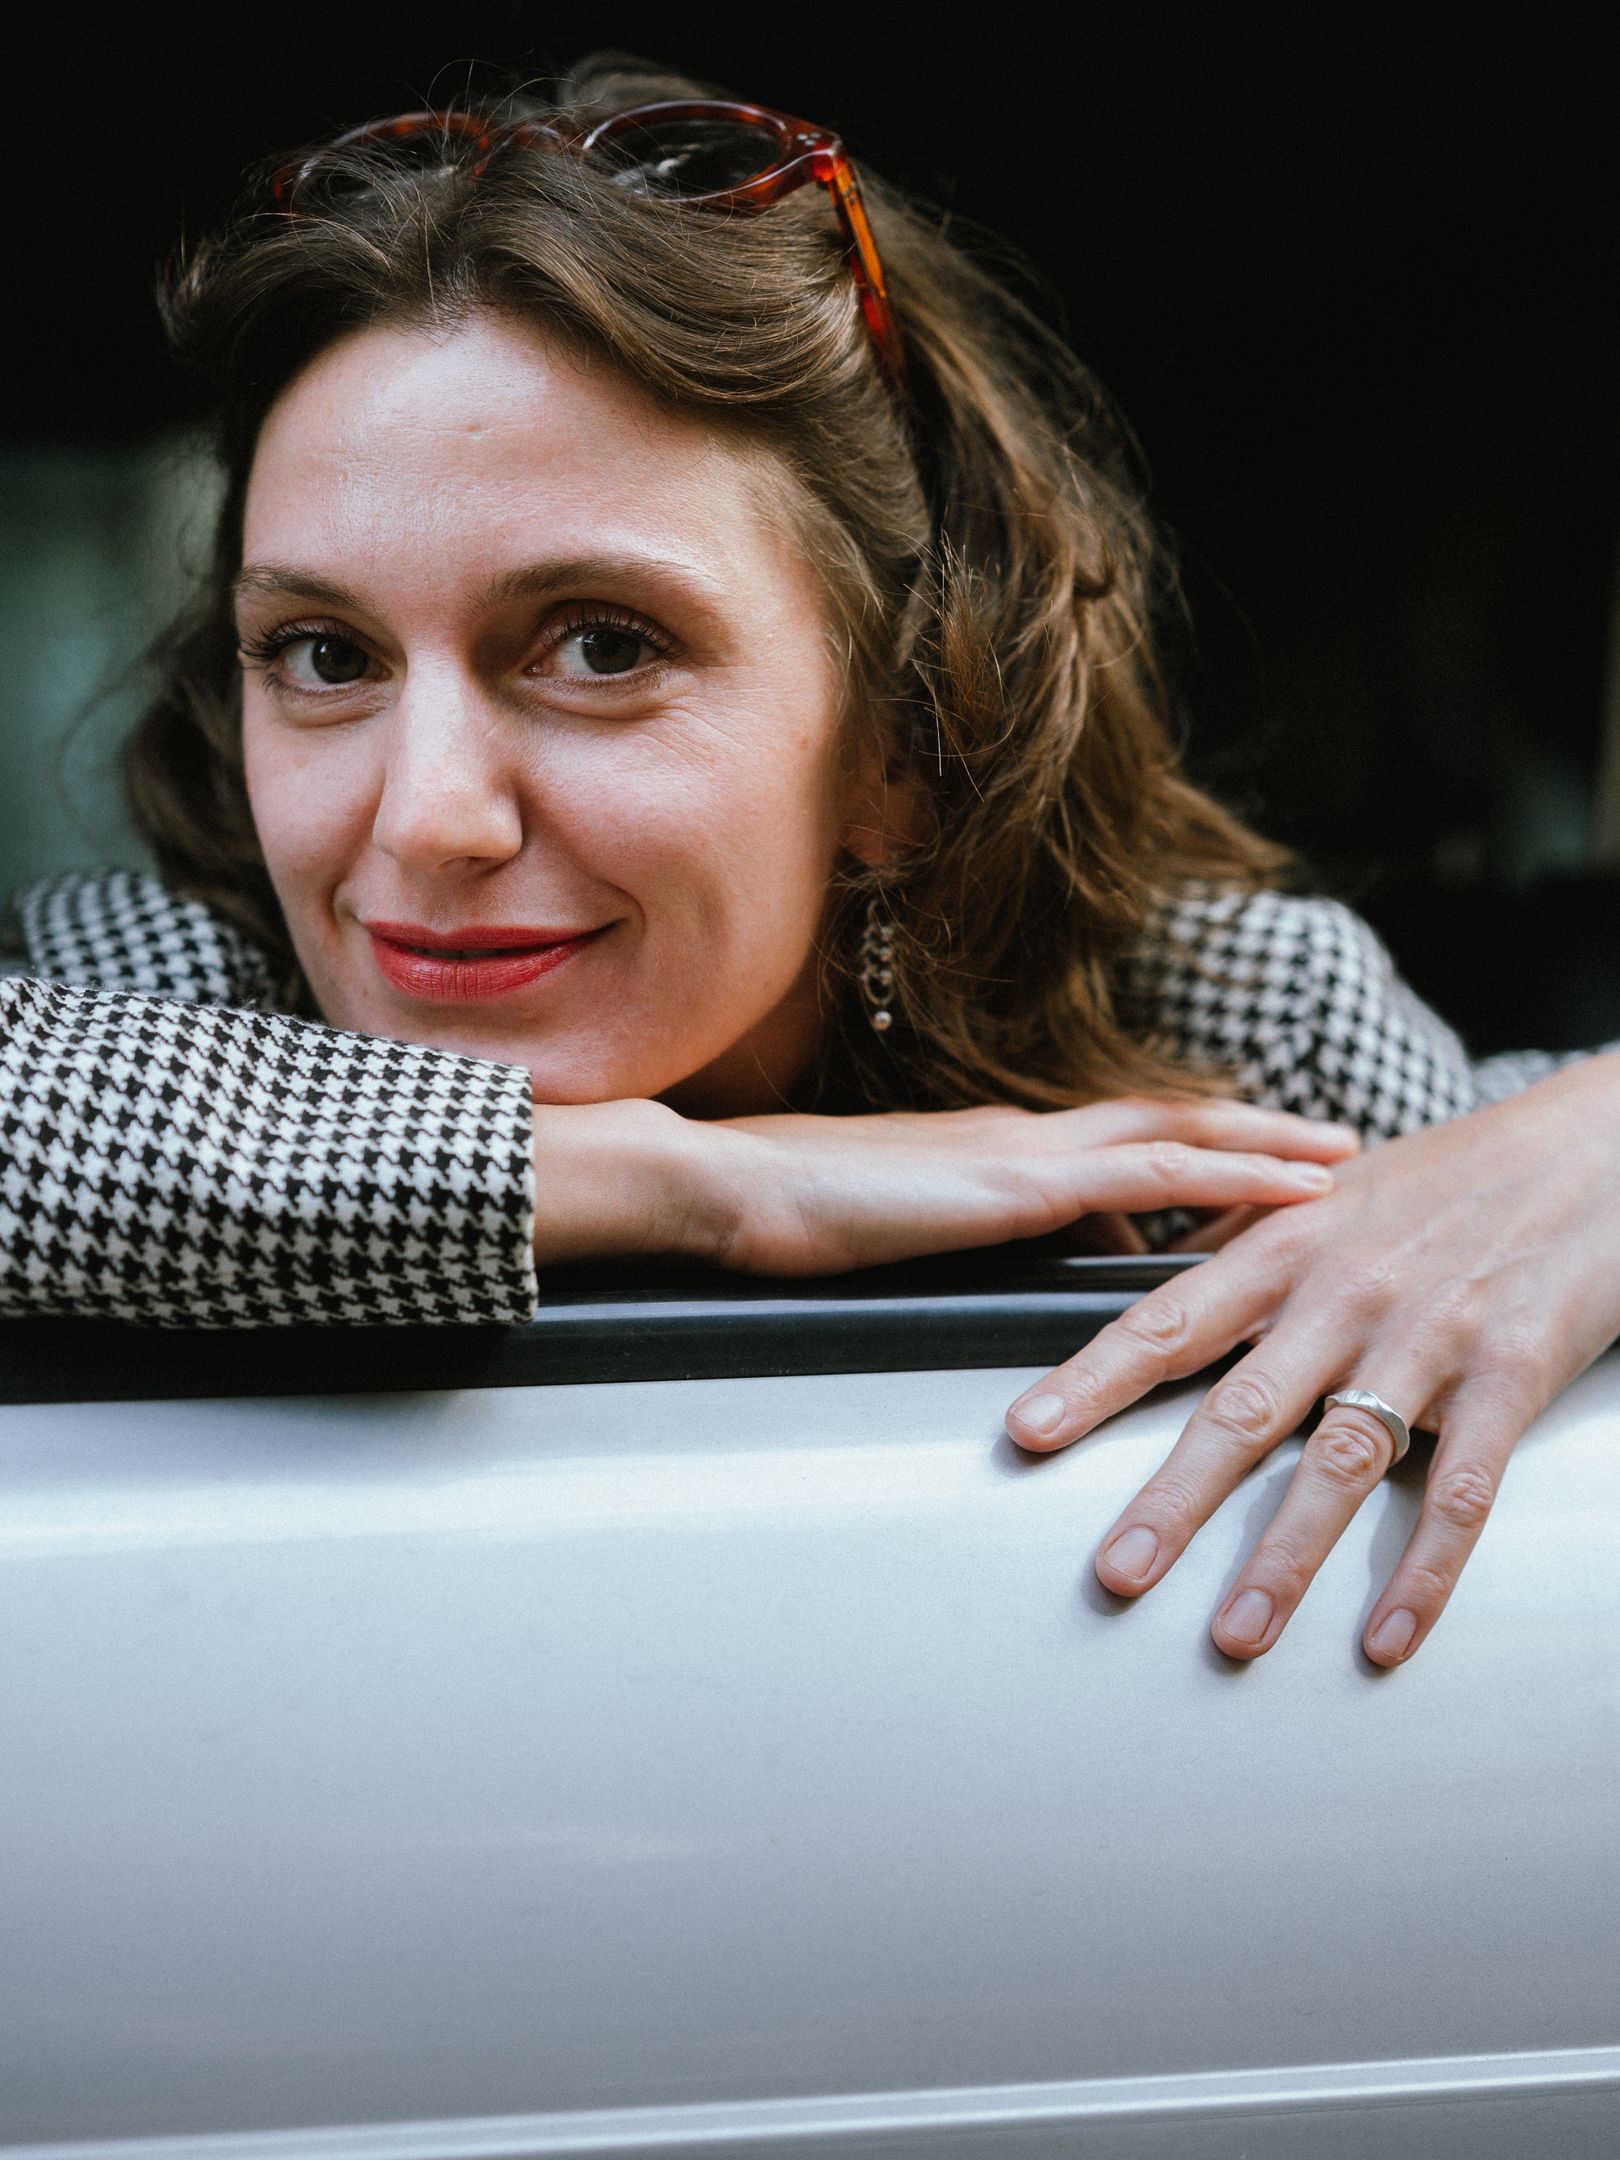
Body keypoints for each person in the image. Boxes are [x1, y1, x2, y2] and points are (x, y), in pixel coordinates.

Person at [4, 56, 1618, 1673]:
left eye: (601, 644)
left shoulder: (1218, 1028)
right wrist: (711, 1190)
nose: (426, 819)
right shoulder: (158, 994)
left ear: (903, 739)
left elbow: (1498, 1195)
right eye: (323, 654)